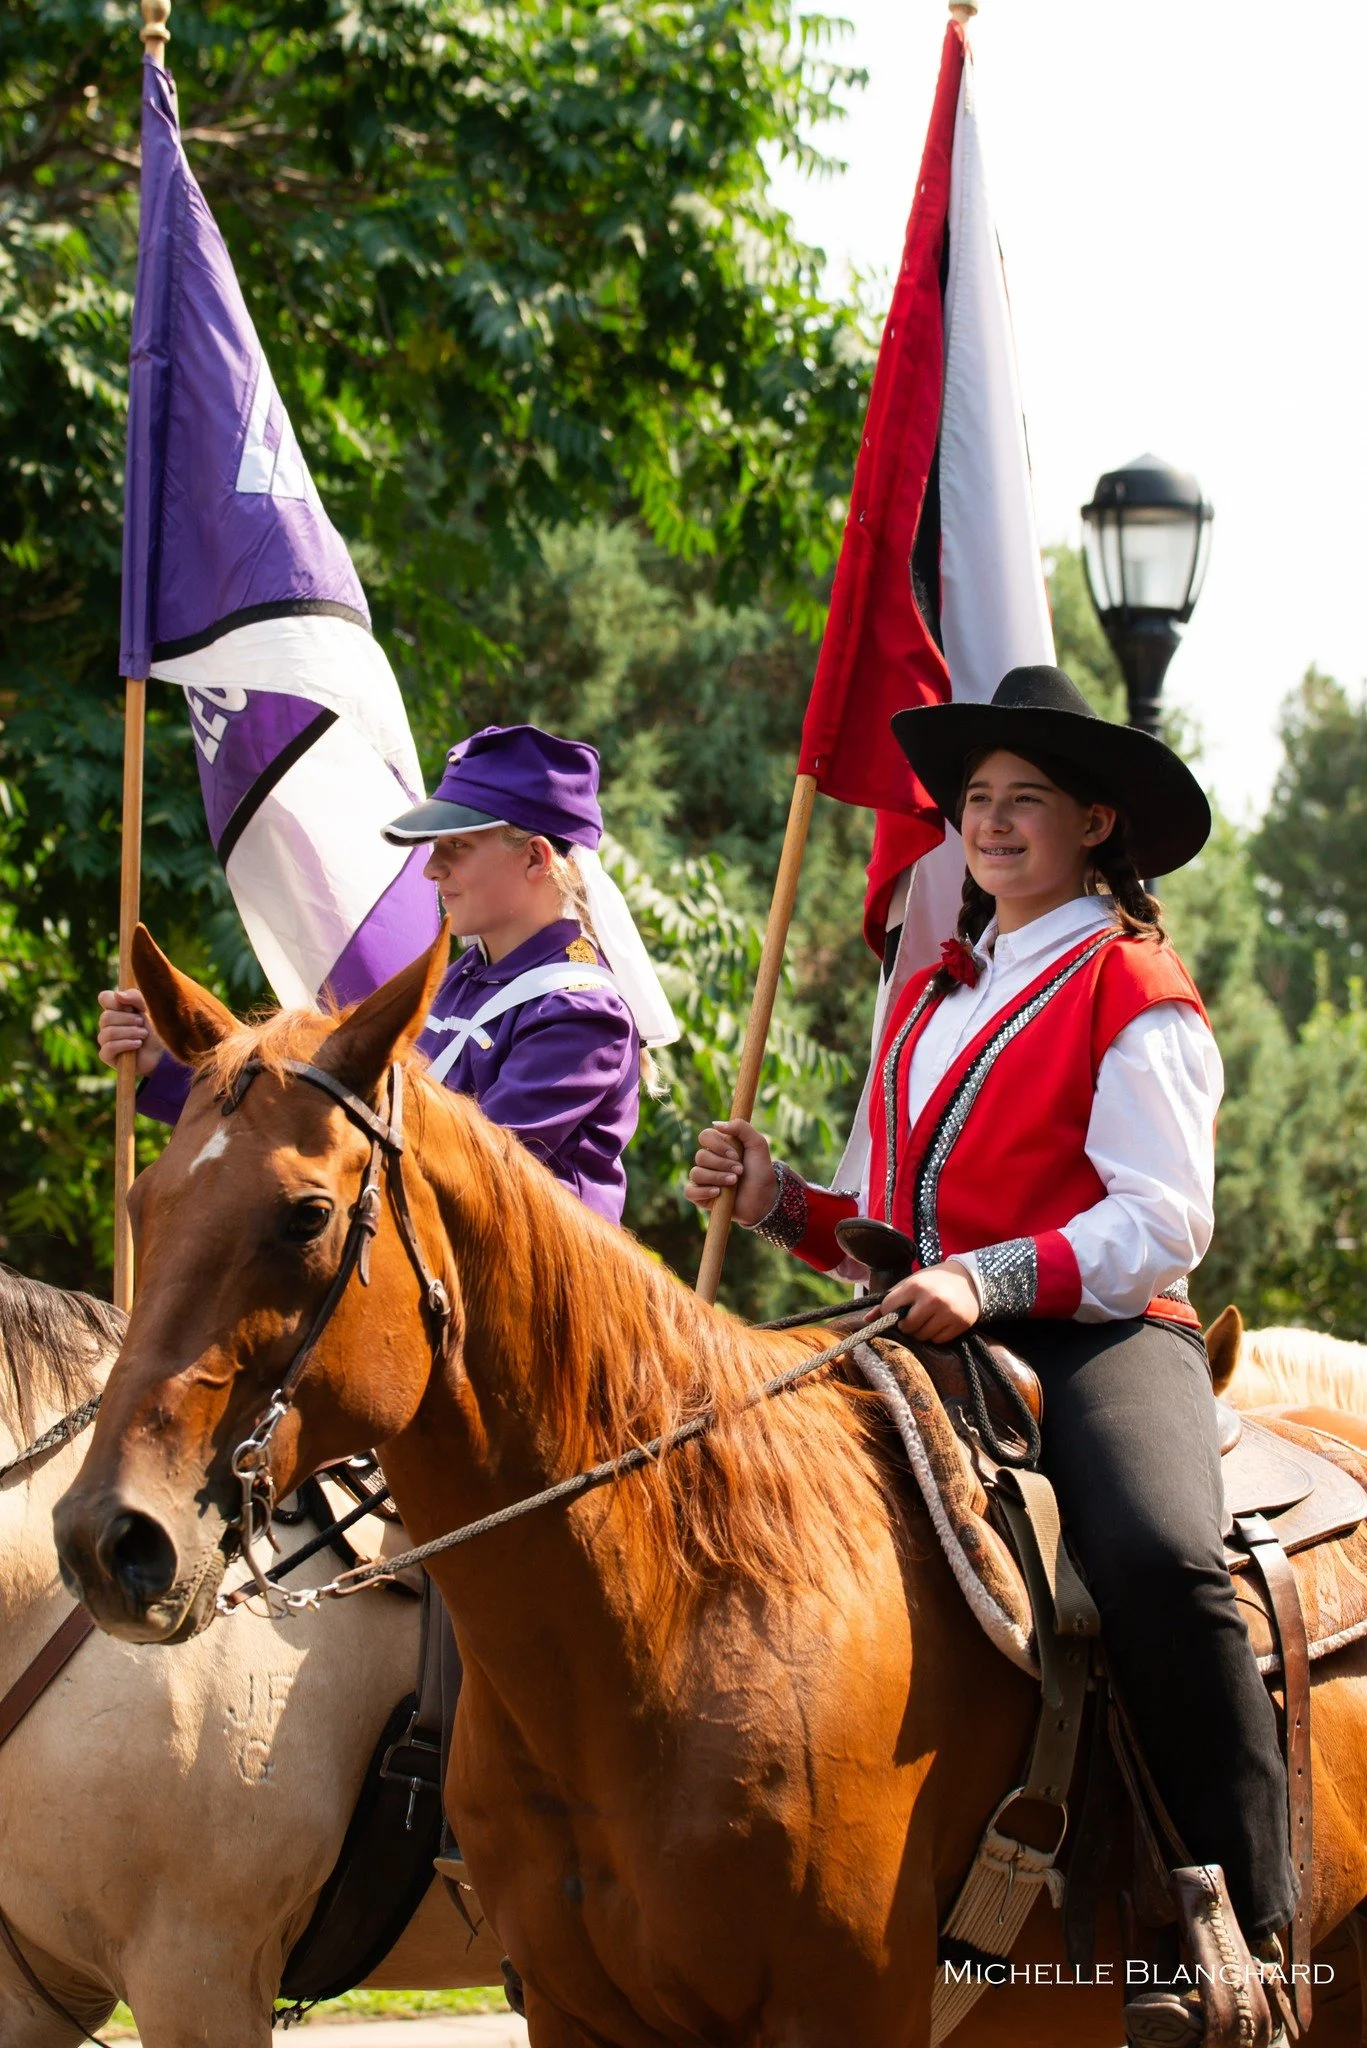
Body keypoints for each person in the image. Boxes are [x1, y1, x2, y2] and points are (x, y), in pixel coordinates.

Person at [684, 666, 1294, 2047]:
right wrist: (779, 1195)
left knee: (1155, 1558)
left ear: (1093, 825)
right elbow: (890, 1228)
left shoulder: (1133, 983)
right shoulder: (932, 995)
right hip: (913, 1325)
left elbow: (1157, 1219)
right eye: (973, 802)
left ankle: (1249, 1935)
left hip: (1090, 1336)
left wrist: (991, 1274)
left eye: (1024, 802)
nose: (991, 824)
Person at [98, 723, 677, 1225]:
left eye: (455, 847)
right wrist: (174, 1067)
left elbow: (458, 1174)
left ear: (535, 858)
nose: (432, 869)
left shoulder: (580, 1011)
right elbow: (349, 1109)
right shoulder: (466, 977)